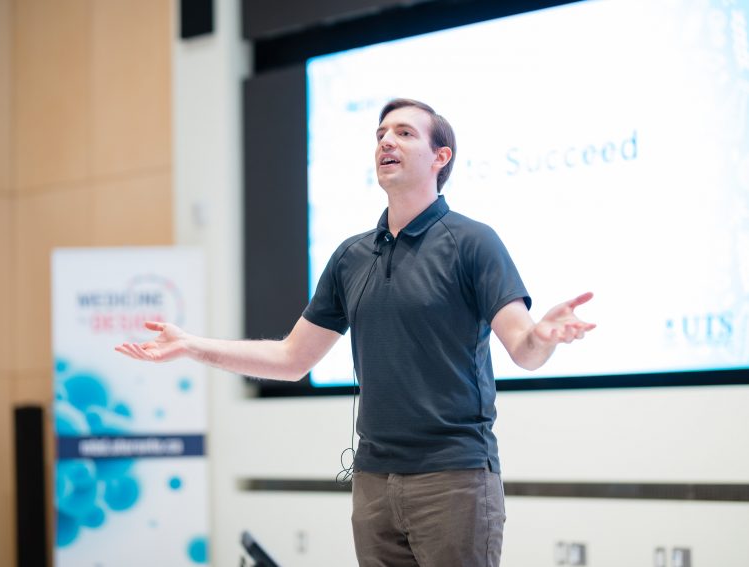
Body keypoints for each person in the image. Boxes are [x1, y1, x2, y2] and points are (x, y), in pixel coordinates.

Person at [116, 98, 595, 567]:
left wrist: (543, 336)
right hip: (372, 483)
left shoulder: (472, 242)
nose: (387, 140)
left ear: (440, 157)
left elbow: (523, 349)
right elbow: (292, 358)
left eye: (405, 133)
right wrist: (190, 346)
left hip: (453, 479)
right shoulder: (351, 257)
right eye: (381, 134)